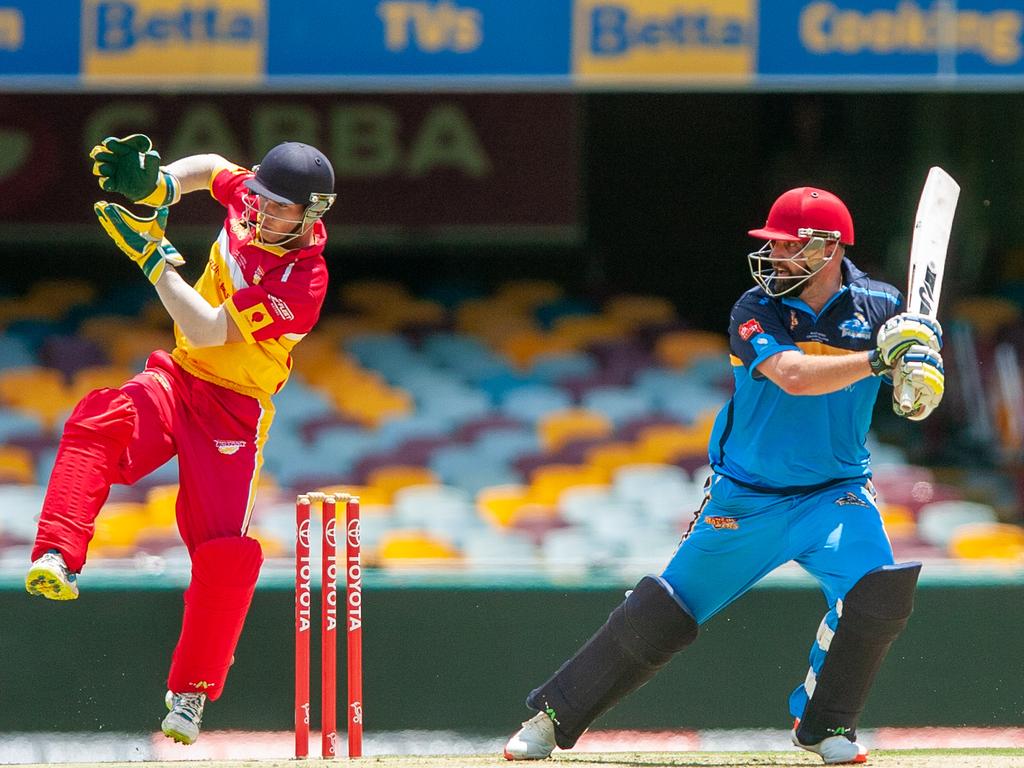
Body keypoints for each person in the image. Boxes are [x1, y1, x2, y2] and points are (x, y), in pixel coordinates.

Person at [503, 187, 945, 765]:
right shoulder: (753, 309)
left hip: (834, 496)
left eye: (788, 246)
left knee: (879, 593)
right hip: (748, 499)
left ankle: (825, 726)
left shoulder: (882, 306)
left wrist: (918, 372)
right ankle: (550, 718)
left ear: (829, 248)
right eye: (774, 245)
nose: (776, 257)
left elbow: (915, 400)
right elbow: (792, 374)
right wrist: (878, 359)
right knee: (663, 612)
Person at [24, 134, 336, 745]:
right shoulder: (250, 198)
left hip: (234, 412)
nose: (261, 213)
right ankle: (57, 554)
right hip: (179, 377)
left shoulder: (305, 282)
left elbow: (210, 327)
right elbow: (215, 169)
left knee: (224, 550)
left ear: (312, 214)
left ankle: (190, 694)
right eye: (261, 199)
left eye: (280, 209)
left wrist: (153, 260)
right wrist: (160, 185)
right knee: (98, 420)